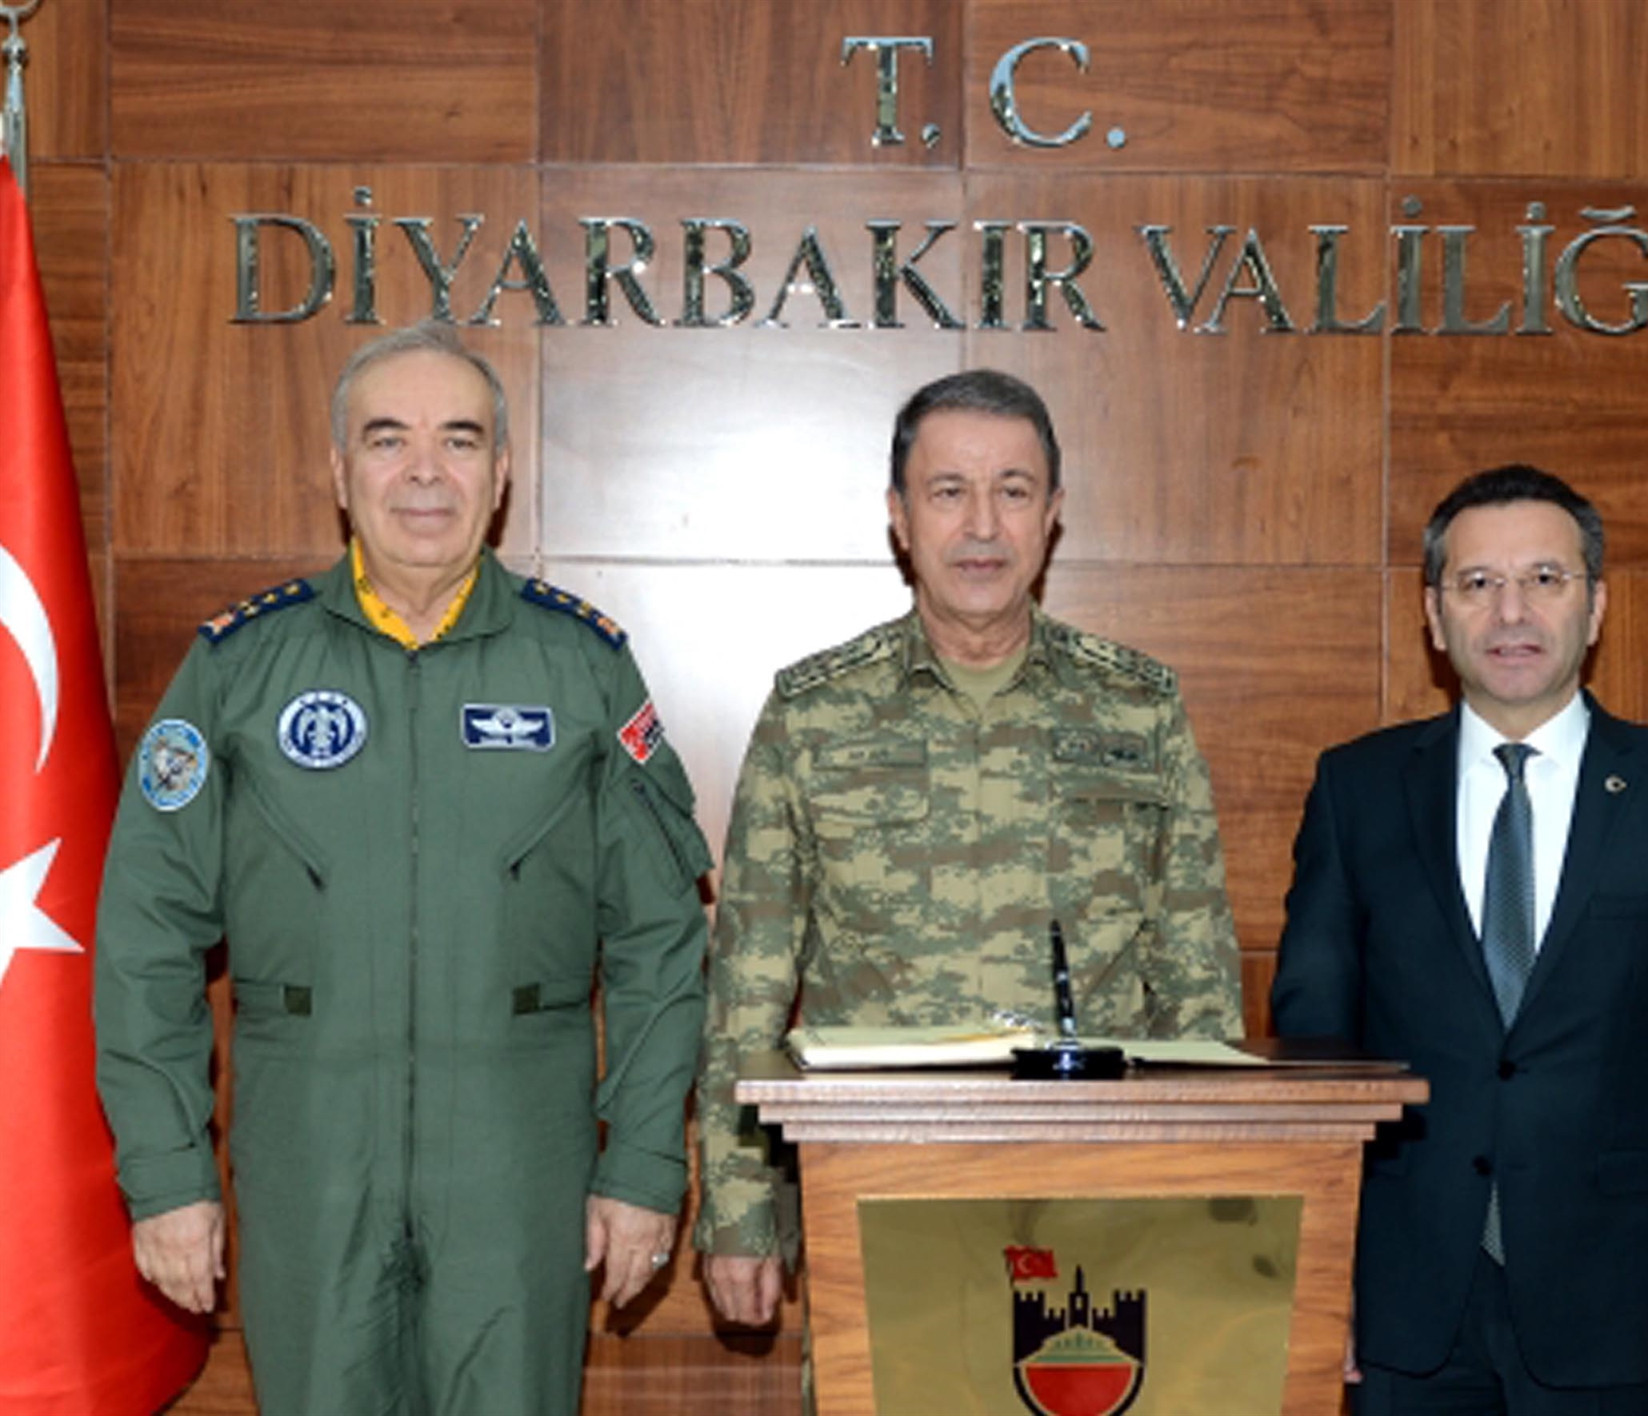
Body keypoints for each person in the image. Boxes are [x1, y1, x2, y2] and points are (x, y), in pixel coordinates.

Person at [93, 324, 712, 1416]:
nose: (426, 471)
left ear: (501, 474)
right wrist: (167, 1171)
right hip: (310, 1163)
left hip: (521, 1169)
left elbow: (662, 943)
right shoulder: (241, 670)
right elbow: (146, 935)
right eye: (389, 440)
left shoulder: (582, 667)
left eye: (459, 440)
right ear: (341, 473)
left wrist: (645, 1163)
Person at [696, 369, 1244, 1325]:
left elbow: (1196, 981)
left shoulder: (1138, 708)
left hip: (1101, 1194)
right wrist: (741, 1208)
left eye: (1013, 491)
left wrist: (1212, 1195)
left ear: (1053, 514)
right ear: (900, 517)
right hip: (877, 1183)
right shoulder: (814, 714)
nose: (982, 526)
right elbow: (749, 984)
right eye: (949, 492)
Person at [1270, 464, 1648, 1414]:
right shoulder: (1357, 790)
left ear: (1595, 606)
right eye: (1478, 583)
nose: (1512, 611)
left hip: (1619, 1297)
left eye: (1545, 578)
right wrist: (1318, 1266)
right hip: (1401, 1296)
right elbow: (1314, 1055)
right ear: (1435, 615)